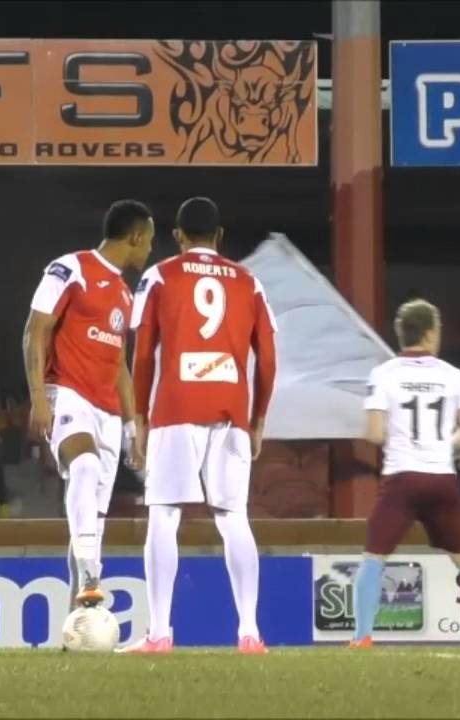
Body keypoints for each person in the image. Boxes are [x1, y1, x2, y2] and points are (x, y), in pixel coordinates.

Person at [125, 197, 277, 655]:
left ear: (178, 236)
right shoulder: (249, 282)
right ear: (220, 236)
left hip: (176, 407)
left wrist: (139, 417)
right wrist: (259, 418)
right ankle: (249, 632)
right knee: (234, 519)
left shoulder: (160, 275)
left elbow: (143, 350)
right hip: (230, 409)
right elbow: (267, 358)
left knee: (164, 516)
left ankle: (159, 633)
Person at [349, 299, 460, 650]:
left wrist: (405, 439)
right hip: (441, 480)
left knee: (373, 558)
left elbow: (375, 434)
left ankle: (362, 636)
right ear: (429, 333)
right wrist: (443, 445)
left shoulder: (384, 373)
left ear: (403, 334)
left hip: (401, 480)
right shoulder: (452, 375)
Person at [23, 199, 155, 614]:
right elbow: (34, 330)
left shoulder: (123, 292)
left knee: (93, 522)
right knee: (84, 466)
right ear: (134, 237)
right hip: (68, 394)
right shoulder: (69, 268)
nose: (150, 249)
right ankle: (92, 567)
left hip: (109, 414)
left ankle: (79, 618)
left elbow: (119, 365)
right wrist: (39, 397)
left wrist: (134, 427)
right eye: (149, 240)